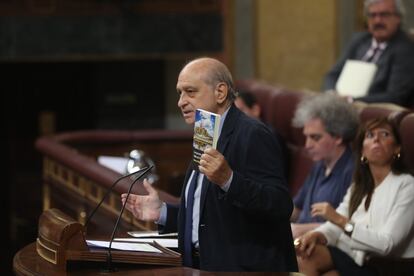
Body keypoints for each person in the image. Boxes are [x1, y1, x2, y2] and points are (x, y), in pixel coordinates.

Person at [121, 57, 298, 272]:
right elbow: (208, 218)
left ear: (220, 92)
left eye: (190, 91)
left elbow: (280, 205)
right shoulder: (205, 132)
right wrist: (163, 213)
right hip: (201, 266)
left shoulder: (253, 134)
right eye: (179, 93)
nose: (181, 101)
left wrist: (229, 180)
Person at [295, 117, 414, 276]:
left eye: (384, 134)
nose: (376, 139)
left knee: (318, 265)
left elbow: (387, 244)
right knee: (304, 253)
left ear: (397, 149)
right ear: (363, 151)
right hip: (351, 257)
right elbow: (335, 227)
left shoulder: (407, 185)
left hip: (383, 267)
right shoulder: (359, 185)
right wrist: (318, 234)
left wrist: (339, 220)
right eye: (370, 135)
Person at [290, 94, 359, 239]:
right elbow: (297, 209)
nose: (307, 145)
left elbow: (347, 226)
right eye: (306, 137)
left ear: (338, 136)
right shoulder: (320, 164)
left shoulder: (353, 171)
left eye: (315, 138)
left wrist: (300, 230)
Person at [322, 0, 414, 107]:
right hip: (340, 104)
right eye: (372, 15)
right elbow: (332, 74)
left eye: (384, 15)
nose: (377, 20)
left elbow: (395, 96)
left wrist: (351, 100)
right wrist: (331, 93)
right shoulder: (359, 40)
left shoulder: (405, 49)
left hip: (374, 114)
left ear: (398, 18)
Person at [235, 90, 290, 179]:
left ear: (255, 110)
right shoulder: (241, 134)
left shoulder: (267, 137)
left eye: (240, 111)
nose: (235, 118)